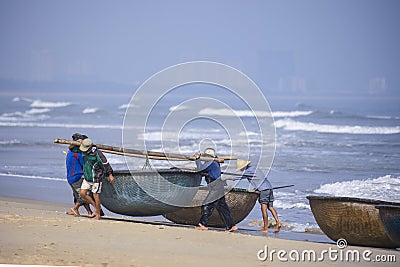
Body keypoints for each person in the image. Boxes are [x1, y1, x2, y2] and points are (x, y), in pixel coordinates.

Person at [194, 148, 238, 232]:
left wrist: (197, 159)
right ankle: (231, 225)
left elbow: (200, 169)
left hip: (215, 187)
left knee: (206, 204)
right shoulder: (215, 163)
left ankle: (202, 224)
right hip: (219, 186)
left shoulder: (210, 163)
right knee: (222, 207)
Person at [236, 159, 281, 233]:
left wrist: (226, 178)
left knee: (263, 208)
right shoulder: (254, 168)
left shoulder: (247, 171)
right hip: (269, 187)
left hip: (263, 190)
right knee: (270, 207)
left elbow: (237, 178)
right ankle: (278, 222)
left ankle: (265, 228)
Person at [79, 138, 115, 220]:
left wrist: (110, 174)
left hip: (96, 178)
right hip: (87, 177)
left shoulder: (97, 154)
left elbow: (105, 163)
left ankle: (98, 214)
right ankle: (96, 207)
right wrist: (81, 142)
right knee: (82, 193)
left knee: (96, 195)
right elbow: (71, 148)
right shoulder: (83, 151)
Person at [65, 133, 93, 217]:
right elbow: (85, 165)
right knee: (84, 195)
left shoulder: (70, 152)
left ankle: (89, 212)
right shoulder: (79, 154)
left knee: (78, 196)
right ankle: (75, 208)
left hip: (71, 177)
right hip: (77, 177)